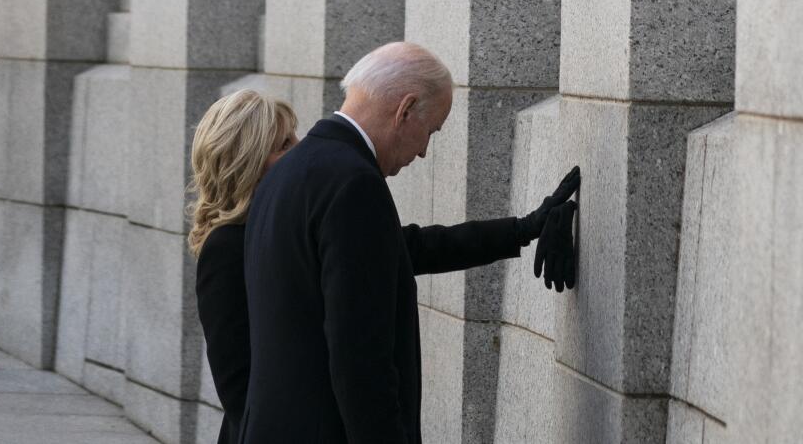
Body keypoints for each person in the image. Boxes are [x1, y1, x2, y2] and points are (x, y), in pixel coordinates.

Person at [238, 41, 579, 444]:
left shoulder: (289, 172)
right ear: (405, 109)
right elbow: (359, 360)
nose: (423, 151)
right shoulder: (353, 184)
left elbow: (406, 250)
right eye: (431, 131)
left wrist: (524, 228)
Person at [190, 88, 300, 444]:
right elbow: (236, 381)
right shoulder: (226, 247)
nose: (300, 149)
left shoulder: (284, 223)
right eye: (284, 144)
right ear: (247, 162)